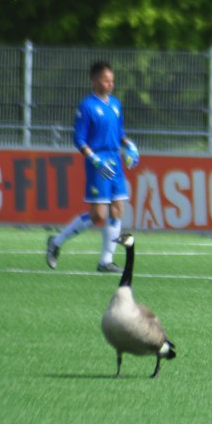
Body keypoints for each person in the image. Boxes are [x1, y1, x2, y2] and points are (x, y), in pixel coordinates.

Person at [46, 61, 139, 273]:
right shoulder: (87, 106)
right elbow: (79, 139)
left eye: (112, 81)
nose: (110, 84)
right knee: (98, 215)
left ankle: (106, 261)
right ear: (95, 80)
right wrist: (94, 159)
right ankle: (56, 242)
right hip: (98, 162)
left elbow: (120, 133)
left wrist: (130, 145)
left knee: (118, 208)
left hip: (115, 160)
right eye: (106, 80)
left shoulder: (115, 104)